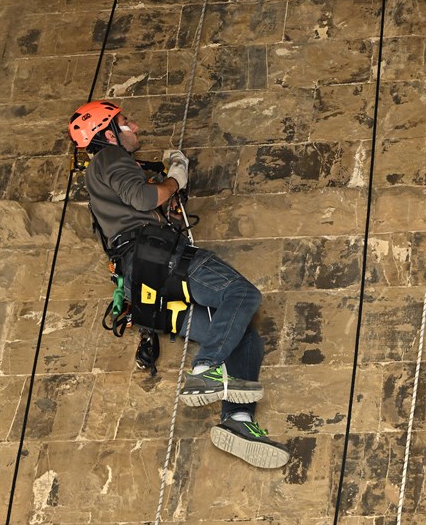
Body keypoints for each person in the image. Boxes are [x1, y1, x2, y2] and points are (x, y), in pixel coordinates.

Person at [68, 100, 289, 469]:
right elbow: (142, 196)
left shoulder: (100, 182)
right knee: (243, 294)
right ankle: (205, 370)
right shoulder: (110, 159)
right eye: (125, 122)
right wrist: (174, 178)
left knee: (244, 337)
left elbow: (136, 207)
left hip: (146, 293)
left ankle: (237, 420)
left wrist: (164, 199)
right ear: (108, 134)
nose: (134, 126)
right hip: (160, 260)